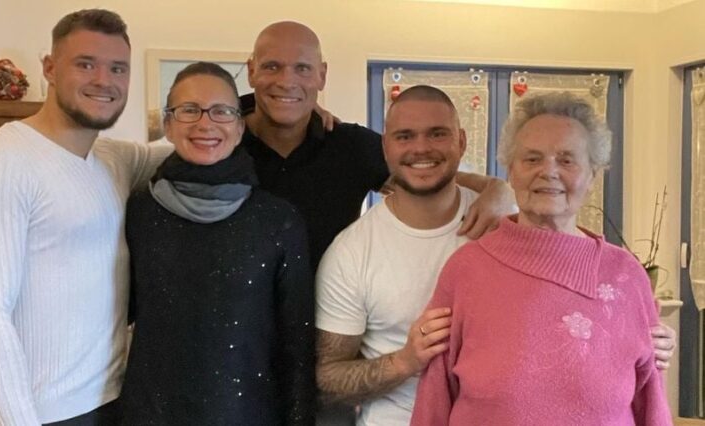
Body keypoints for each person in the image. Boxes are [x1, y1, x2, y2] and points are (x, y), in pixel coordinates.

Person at [0, 9, 170, 425]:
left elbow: (192, 145)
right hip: (34, 414)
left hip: (110, 401)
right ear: (49, 68)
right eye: (85, 64)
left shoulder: (113, 160)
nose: (103, 80)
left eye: (117, 68)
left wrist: (261, 114)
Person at [411, 92, 673, 425]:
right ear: (511, 171)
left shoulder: (626, 276)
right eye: (532, 159)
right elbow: (434, 398)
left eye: (567, 160)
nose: (548, 171)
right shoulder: (466, 270)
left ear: (593, 175)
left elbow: (651, 404)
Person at [119, 62, 315, 425]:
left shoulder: (278, 221)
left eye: (221, 111)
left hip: (249, 416)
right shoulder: (138, 212)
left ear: (239, 128)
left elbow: (297, 348)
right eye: (189, 110)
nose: (205, 123)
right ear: (168, 125)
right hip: (150, 415)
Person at [242, 21, 514, 270]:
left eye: (302, 68)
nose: (287, 81)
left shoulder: (350, 145)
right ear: (252, 71)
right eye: (271, 66)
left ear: (322, 75)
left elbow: (427, 172)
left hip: (333, 303)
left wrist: (498, 190)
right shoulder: (224, 147)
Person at [314, 85, 483, 426]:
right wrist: (405, 361)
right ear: (385, 148)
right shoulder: (351, 253)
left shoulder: (499, 224)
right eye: (405, 136)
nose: (421, 148)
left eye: (437, 134)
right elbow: (327, 380)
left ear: (462, 141)